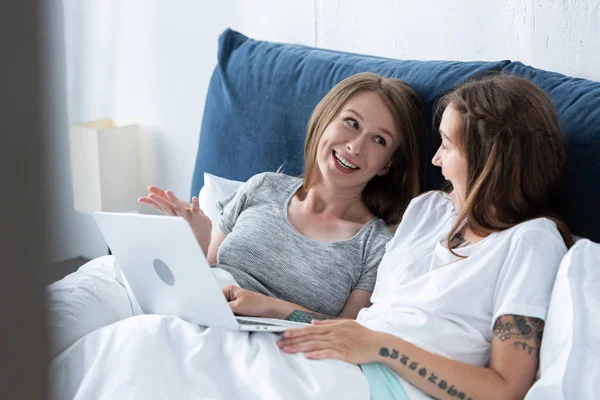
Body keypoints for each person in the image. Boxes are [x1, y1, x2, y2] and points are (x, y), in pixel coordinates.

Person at [275, 73, 572, 399]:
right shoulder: (427, 210)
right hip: (344, 359)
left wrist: (383, 347)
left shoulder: (531, 241)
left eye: (446, 145)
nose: (436, 160)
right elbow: (359, 328)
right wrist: (270, 310)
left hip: (383, 383)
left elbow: (505, 390)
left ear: (488, 160)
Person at [138, 72, 423, 320]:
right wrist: (197, 240)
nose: (355, 146)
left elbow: (351, 332)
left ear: (387, 164)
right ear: (325, 120)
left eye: (379, 140)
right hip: (205, 325)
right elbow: (207, 280)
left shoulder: (375, 246)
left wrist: (271, 308)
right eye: (351, 123)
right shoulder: (262, 186)